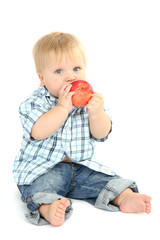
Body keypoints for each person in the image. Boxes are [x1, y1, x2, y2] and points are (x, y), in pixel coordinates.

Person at [13, 32, 151, 227]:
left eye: (77, 68)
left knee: (106, 179)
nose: (71, 77)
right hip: (44, 169)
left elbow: (101, 134)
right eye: (59, 71)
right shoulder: (34, 103)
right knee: (39, 188)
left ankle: (124, 197)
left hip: (82, 167)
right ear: (42, 78)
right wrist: (61, 108)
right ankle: (48, 207)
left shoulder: (89, 101)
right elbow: (38, 131)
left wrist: (96, 113)